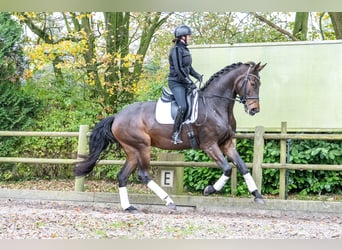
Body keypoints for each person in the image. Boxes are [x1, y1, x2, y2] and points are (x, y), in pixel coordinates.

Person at [168, 25, 203, 144]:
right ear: (182, 37)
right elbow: (178, 69)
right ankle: (175, 133)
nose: (190, 38)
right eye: (189, 36)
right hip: (176, 82)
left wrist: (196, 75)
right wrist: (189, 81)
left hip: (184, 81)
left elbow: (188, 67)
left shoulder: (185, 50)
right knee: (183, 107)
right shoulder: (176, 50)